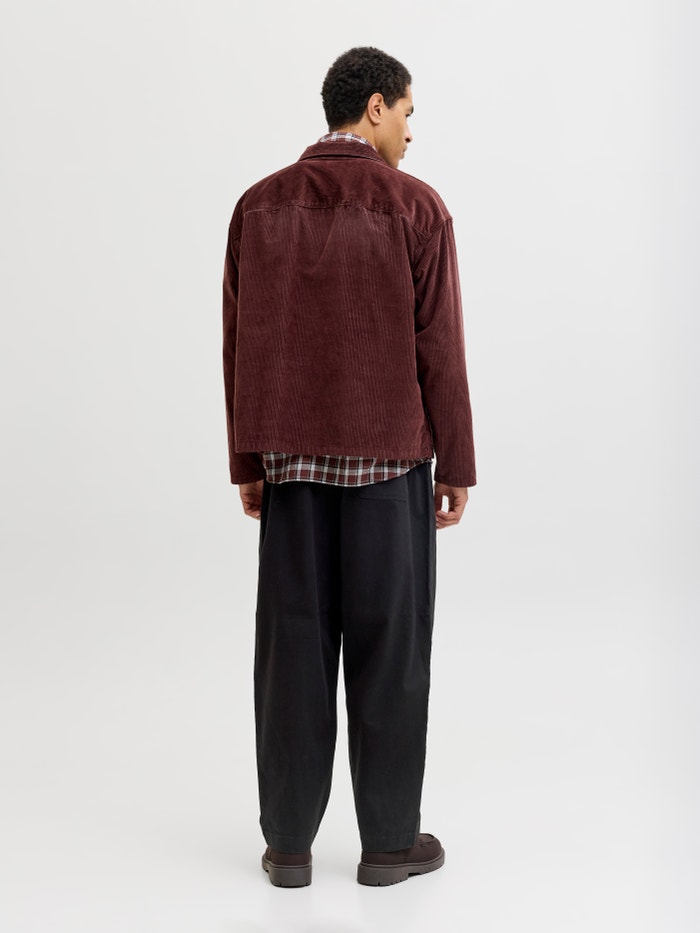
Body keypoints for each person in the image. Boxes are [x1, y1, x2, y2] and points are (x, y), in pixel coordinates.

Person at [222, 46, 476, 888]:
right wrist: (456, 462)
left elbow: (239, 345)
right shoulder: (417, 207)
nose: (410, 130)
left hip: (292, 471)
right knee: (390, 653)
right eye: (407, 112)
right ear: (374, 106)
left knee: (291, 651)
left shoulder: (258, 206)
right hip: (390, 467)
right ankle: (388, 845)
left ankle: (289, 846)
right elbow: (441, 348)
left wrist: (247, 460)